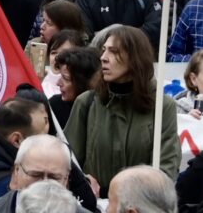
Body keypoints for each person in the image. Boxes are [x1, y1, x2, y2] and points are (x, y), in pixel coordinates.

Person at [66, 23, 179, 188]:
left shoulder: (162, 106)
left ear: (135, 58)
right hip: (95, 206)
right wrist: (84, 182)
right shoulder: (87, 102)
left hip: (141, 206)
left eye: (114, 51)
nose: (103, 57)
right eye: (104, 50)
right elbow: (68, 160)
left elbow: (167, 166)